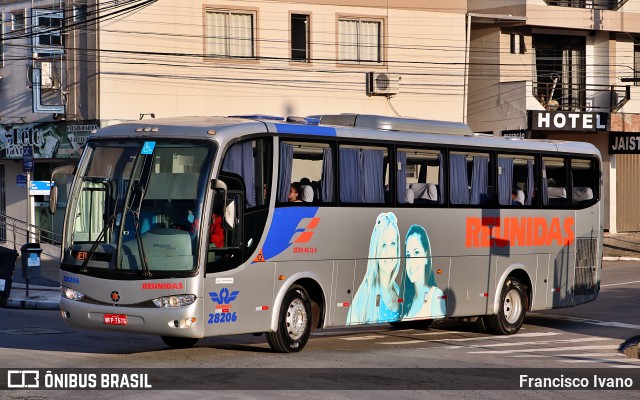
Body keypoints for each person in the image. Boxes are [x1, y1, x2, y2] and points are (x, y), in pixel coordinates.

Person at [347, 212, 401, 324]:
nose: (389, 252)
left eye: (393, 244)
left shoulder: (399, 291)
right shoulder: (365, 295)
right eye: (383, 245)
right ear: (375, 250)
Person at [402, 224, 445, 319]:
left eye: (416, 253)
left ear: (426, 256)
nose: (411, 262)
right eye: (408, 255)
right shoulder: (408, 299)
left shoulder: (435, 296)